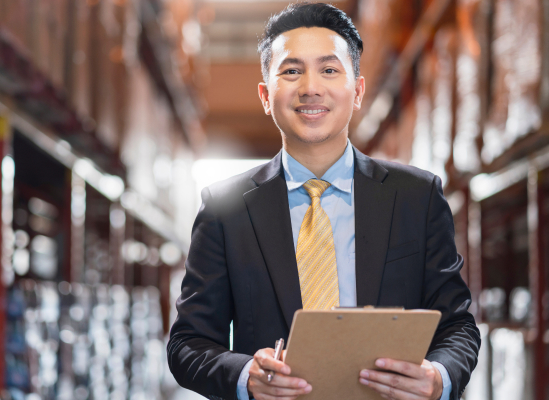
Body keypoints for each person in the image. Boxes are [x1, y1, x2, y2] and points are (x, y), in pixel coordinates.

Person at [167, 3, 480, 400]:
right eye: (291, 71)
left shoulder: (417, 198)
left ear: (358, 90)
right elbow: (187, 343)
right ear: (266, 95)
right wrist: (246, 375)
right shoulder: (224, 208)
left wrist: (438, 377)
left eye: (329, 70)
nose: (310, 87)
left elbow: (458, 325)